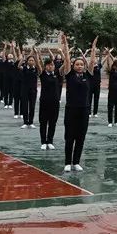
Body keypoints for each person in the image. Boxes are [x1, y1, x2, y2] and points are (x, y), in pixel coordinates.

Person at [59, 33, 97, 173]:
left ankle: (76, 162)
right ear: (74, 66)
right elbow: (67, 59)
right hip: (71, 110)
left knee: (81, 137)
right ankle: (68, 162)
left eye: (81, 64)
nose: (80, 66)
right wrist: (65, 44)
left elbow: (92, 62)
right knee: (70, 137)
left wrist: (93, 49)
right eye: (77, 64)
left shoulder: (88, 76)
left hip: (85, 110)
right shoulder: (69, 76)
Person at [38, 55, 60, 150]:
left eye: (52, 65)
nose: (50, 66)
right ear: (45, 66)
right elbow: (38, 64)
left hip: (55, 102)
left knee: (52, 122)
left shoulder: (57, 74)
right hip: (44, 102)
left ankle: (50, 141)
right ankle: (43, 142)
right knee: (43, 122)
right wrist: (36, 54)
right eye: (48, 65)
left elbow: (66, 63)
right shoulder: (43, 74)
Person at [19, 48, 40, 129]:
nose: (31, 61)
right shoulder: (24, 68)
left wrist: (36, 54)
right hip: (24, 90)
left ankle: (31, 122)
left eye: (32, 60)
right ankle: (25, 122)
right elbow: (18, 66)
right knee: (25, 106)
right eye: (30, 60)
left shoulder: (36, 69)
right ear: (27, 61)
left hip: (33, 90)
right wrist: (24, 57)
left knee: (32, 106)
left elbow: (38, 63)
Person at [88, 51, 102, 118]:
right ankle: (89, 112)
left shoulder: (99, 66)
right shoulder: (90, 67)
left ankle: (95, 112)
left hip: (97, 85)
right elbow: (85, 61)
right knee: (89, 99)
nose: (95, 60)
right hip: (90, 85)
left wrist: (108, 54)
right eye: (93, 59)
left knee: (96, 99)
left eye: (96, 59)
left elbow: (104, 61)